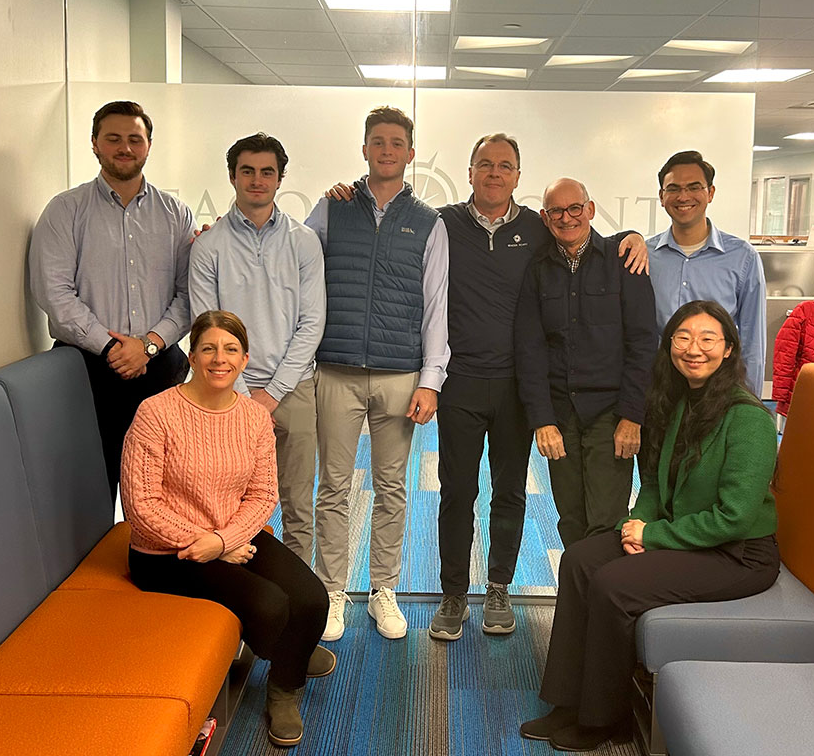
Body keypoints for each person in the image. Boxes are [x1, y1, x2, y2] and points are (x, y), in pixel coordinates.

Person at [325, 135, 649, 642]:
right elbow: (389, 232)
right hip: (460, 384)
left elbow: (584, 238)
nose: (495, 173)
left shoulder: (537, 230)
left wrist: (632, 235)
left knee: (511, 492)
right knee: (456, 492)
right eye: (485, 165)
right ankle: (453, 594)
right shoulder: (443, 223)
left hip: (520, 387)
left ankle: (498, 587)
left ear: (518, 176)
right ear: (469, 171)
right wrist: (345, 194)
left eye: (505, 166)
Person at [520, 300, 780, 752]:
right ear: (669, 346)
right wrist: (635, 522)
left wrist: (654, 536)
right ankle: (568, 700)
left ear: (729, 349)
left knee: (613, 584)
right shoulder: (680, 405)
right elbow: (658, 485)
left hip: (737, 554)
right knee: (581, 559)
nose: (693, 349)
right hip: (688, 536)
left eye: (707, 339)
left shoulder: (749, 419)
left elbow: (734, 517)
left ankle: (606, 718)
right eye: (682, 337)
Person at [120, 311, 332, 749]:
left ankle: (291, 654)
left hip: (230, 536)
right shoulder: (156, 413)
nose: (220, 359)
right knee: (271, 606)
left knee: (313, 598)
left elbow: (262, 495)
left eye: (231, 349)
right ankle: (286, 679)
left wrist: (223, 541)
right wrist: (211, 545)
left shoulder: (253, 418)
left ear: (245, 358)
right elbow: (141, 506)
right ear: (192, 356)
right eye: (209, 348)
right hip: (163, 554)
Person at [305, 106, 450, 641]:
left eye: (397, 143)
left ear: (411, 154)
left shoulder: (429, 223)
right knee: (334, 487)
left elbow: (436, 304)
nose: (387, 150)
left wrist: (431, 379)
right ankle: (332, 591)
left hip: (399, 373)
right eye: (377, 142)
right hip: (335, 368)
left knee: (392, 487)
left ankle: (384, 589)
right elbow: (290, 259)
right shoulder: (331, 207)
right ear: (364, 148)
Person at [29, 100, 193, 499]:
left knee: (163, 487)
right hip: (85, 368)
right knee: (90, 489)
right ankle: (99, 561)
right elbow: (53, 292)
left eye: (134, 139)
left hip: (159, 366)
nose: (125, 147)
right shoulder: (65, 210)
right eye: (114, 138)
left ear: (148, 145)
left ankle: (157, 563)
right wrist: (113, 347)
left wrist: (148, 346)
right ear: (95, 144)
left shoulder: (176, 214)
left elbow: (188, 294)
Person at [190, 133, 325, 565]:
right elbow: (207, 332)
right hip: (226, 394)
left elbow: (312, 322)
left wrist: (273, 393)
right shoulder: (209, 246)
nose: (257, 180)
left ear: (280, 178)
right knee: (228, 507)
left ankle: (304, 603)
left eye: (267, 171)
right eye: (247, 170)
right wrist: (246, 396)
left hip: (294, 391)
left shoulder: (303, 242)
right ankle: (244, 606)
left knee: (299, 505)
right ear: (232, 176)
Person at [514, 178, 658, 549]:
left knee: (607, 518)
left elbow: (643, 343)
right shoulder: (537, 270)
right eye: (557, 211)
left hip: (611, 415)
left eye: (575, 208)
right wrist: (542, 420)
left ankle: (603, 602)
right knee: (571, 517)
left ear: (590, 210)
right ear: (545, 218)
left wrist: (632, 416)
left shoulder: (624, 261)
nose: (567, 218)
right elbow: (529, 350)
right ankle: (576, 598)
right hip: (561, 414)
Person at [641, 150, 767, 396]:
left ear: (710, 193)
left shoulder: (743, 257)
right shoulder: (645, 256)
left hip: (718, 391)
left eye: (694, 187)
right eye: (674, 188)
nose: (683, 196)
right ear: (661, 197)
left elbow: (752, 342)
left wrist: (750, 404)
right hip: (658, 390)